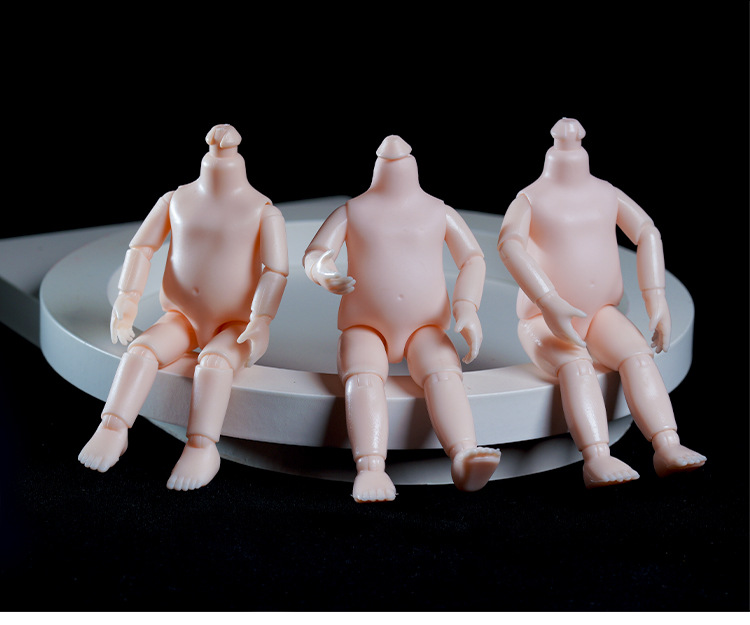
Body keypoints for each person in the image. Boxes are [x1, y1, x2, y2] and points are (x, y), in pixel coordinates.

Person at [497, 117, 705, 487]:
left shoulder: (607, 193)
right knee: (576, 365)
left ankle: (667, 445)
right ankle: (596, 457)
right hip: (542, 320)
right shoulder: (530, 199)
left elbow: (647, 231)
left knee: (638, 355)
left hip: (600, 314)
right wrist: (548, 300)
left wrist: (656, 299)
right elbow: (508, 244)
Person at [79, 124, 288, 491]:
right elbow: (141, 247)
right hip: (182, 317)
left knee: (214, 364)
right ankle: (112, 426)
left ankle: (201, 447)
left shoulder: (263, 211)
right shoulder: (175, 200)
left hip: (237, 325)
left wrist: (261, 318)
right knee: (140, 351)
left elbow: (277, 271)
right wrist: (128, 297)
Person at [303, 135, 500, 502]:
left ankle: (463, 454)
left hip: (426, 325)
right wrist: (324, 272)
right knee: (362, 377)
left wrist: (466, 307)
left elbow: (473, 258)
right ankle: (370, 468)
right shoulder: (353, 211)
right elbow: (315, 252)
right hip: (364, 323)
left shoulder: (438, 211)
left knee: (443, 372)